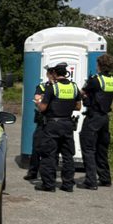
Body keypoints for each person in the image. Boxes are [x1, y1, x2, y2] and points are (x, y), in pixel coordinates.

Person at [35, 62, 81, 192]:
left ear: (55, 74)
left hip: (53, 125)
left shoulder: (52, 88)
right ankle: (68, 185)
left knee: (49, 154)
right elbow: (78, 106)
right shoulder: (74, 87)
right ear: (66, 73)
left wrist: (39, 103)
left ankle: (48, 185)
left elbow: (43, 108)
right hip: (67, 123)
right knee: (67, 156)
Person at [78, 56, 113, 190]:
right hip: (105, 118)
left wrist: (84, 95)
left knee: (88, 148)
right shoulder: (112, 80)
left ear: (99, 65)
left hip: (93, 117)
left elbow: (82, 92)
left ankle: (90, 181)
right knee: (102, 149)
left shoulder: (95, 80)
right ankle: (105, 178)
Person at [23, 65, 57, 181]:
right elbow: (37, 98)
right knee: (36, 146)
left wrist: (43, 99)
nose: (52, 76)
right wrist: (42, 99)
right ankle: (33, 172)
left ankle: (50, 173)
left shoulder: (58, 87)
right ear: (48, 74)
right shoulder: (42, 86)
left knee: (54, 148)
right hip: (42, 121)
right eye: (50, 73)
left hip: (54, 121)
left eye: (54, 73)